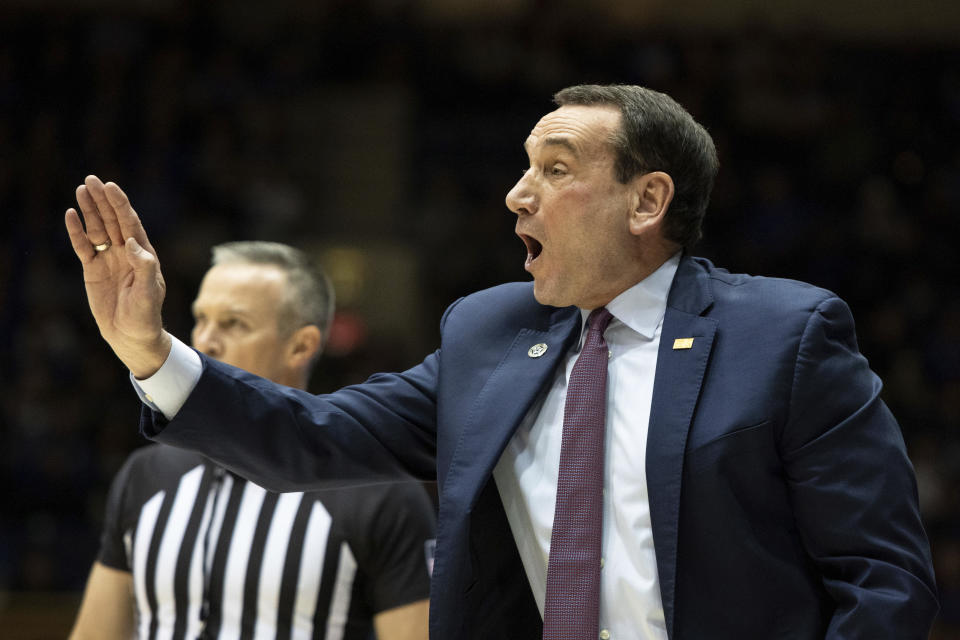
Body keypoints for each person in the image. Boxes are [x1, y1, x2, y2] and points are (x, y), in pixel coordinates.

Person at [65, 84, 938, 639]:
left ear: (649, 201)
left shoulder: (784, 335)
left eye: (556, 170)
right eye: (524, 169)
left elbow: (885, 580)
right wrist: (149, 350)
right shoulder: (488, 333)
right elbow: (316, 437)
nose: (518, 195)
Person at [68, 241, 435, 640]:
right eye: (200, 319)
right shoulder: (146, 474)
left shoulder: (384, 493)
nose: (204, 341)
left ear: (301, 346)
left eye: (233, 324)